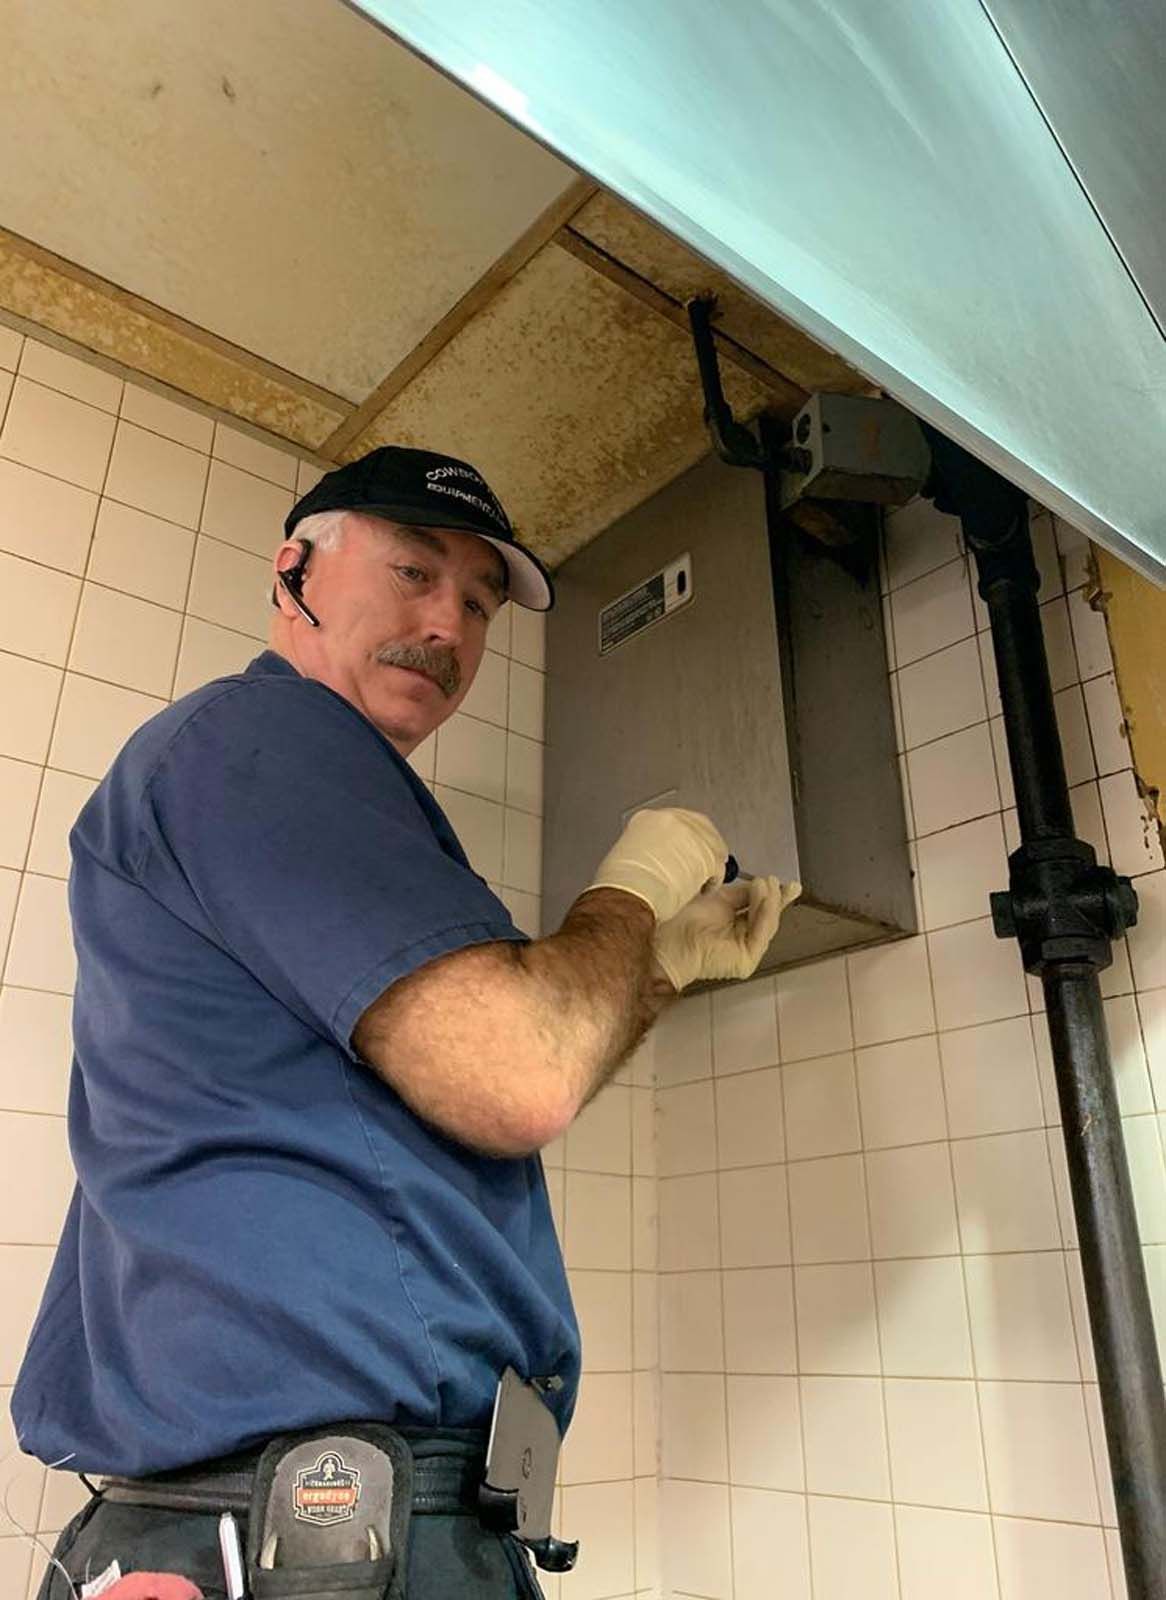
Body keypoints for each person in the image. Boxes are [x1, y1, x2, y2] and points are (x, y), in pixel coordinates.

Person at [13, 445, 795, 1599]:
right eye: (414, 572)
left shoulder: (314, 799)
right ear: (294, 573)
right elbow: (519, 1069)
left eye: (478, 604)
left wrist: (659, 967)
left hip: (319, 1523)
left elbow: (487, 1074)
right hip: (312, 1531)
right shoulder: (260, 740)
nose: (449, 625)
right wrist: (631, 894)